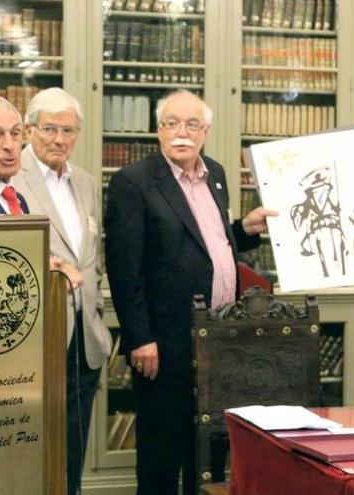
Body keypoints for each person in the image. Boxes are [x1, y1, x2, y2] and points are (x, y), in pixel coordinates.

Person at [104, 90, 275, 495]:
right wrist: (139, 337)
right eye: (172, 124)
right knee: (163, 458)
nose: (182, 133)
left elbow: (205, 245)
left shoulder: (215, 173)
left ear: (206, 130)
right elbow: (124, 269)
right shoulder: (135, 183)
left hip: (219, 340)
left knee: (212, 455)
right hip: (165, 343)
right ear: (158, 130)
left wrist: (244, 232)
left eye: (192, 124)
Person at [11, 88, 112, 495]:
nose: (59, 139)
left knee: (72, 451)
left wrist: (97, 304)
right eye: (49, 128)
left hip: (84, 339)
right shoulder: (10, 177)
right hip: (35, 339)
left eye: (68, 130)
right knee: (30, 454)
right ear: (29, 130)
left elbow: (93, 256)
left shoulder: (85, 182)